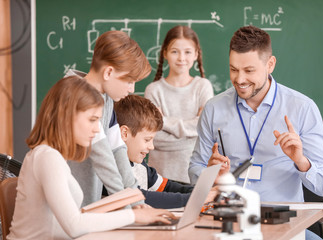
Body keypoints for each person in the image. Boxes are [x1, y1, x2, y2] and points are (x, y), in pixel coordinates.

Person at [7, 76, 175, 240]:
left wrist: (127, 207)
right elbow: (74, 225)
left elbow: (73, 218)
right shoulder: (47, 158)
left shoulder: (55, 157)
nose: (97, 130)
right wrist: (132, 215)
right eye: (92, 120)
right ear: (68, 115)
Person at [188, 25, 323, 203]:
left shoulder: (302, 108)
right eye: (234, 69)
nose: (240, 79)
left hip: (284, 222)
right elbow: (196, 168)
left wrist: (301, 161)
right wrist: (210, 176)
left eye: (249, 71)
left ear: (270, 64)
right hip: (228, 217)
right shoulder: (213, 108)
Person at [65, 30, 151, 206]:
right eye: (129, 81)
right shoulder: (78, 98)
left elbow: (118, 150)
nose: (132, 89)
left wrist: (137, 202)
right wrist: (128, 208)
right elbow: (104, 161)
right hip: (67, 212)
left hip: (86, 209)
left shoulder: (106, 99)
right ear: (108, 73)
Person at [144, 25, 214, 184]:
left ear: (196, 54)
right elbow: (154, 138)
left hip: (196, 176)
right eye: (175, 51)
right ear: (165, 53)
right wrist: (191, 138)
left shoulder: (202, 86)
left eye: (188, 52)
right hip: (159, 178)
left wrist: (165, 121)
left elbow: (205, 131)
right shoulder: (153, 90)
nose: (181, 58)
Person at [114, 95, 194, 209]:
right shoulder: (112, 166)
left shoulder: (141, 166)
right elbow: (142, 197)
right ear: (124, 133)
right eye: (147, 140)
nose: (151, 147)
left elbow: (167, 186)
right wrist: (191, 199)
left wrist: (200, 191)